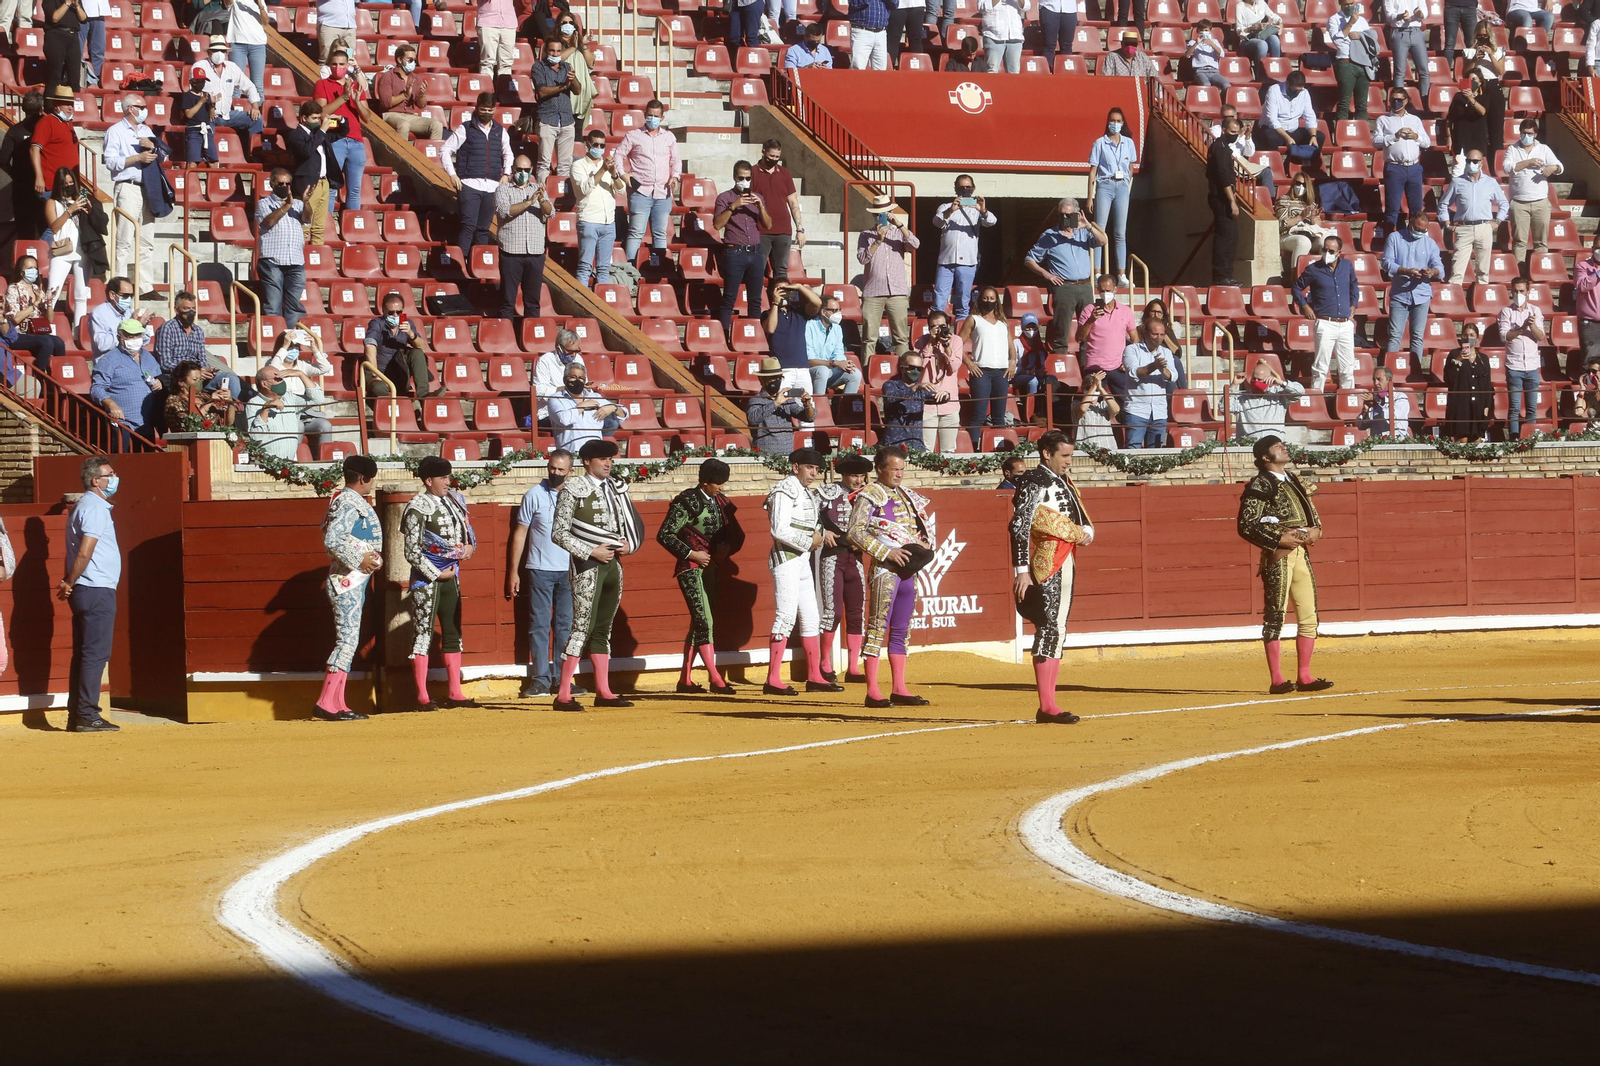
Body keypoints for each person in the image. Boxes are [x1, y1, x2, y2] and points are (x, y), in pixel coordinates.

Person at [551, 438, 642, 711]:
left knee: (603, 628)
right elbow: (558, 533)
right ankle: (563, 694)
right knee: (582, 627)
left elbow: (624, 524)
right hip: (588, 566)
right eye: (603, 459)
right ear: (587, 462)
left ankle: (604, 691)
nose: (608, 463)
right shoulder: (573, 489)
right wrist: (591, 551)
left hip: (613, 564)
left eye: (611, 459)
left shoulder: (615, 489)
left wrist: (627, 543)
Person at [1009, 429, 1094, 722]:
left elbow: (1079, 517)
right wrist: (1022, 571)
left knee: (1058, 627)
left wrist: (1087, 532)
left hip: (1066, 555)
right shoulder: (1034, 481)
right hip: (1047, 559)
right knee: (1048, 627)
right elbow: (1019, 526)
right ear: (1047, 454)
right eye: (1065, 455)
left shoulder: (1062, 481)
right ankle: (1046, 706)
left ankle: (1049, 703)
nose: (1069, 461)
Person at [1237, 435, 1332, 695]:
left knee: (1309, 615)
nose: (1284, 447)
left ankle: (1305, 677)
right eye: (1277, 447)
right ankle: (1277, 680)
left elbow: (1312, 515)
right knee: (1275, 616)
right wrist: (1278, 538)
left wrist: (1316, 531)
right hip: (1278, 554)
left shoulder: (1293, 480)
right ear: (1265, 458)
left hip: (1300, 553)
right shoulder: (1261, 483)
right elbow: (1246, 525)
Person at [847, 445, 934, 709]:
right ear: (880, 469)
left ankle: (899, 688)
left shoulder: (908, 496)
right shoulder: (869, 495)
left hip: (908, 571)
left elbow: (918, 529)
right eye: (894, 469)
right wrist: (886, 552)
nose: (899, 474)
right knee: (877, 628)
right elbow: (855, 532)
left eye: (902, 469)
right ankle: (872, 690)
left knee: (901, 630)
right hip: (885, 569)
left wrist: (923, 545)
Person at [656, 457, 740, 695]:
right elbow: (665, 535)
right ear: (705, 482)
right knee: (705, 621)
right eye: (717, 483)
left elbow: (732, 533)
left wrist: (725, 549)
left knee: (699, 622)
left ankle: (686, 680)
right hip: (690, 568)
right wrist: (691, 553)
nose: (721, 487)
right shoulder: (686, 502)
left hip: (711, 567)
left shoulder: (719, 500)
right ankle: (715, 678)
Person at [402, 456, 479, 711]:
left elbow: (465, 533)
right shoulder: (416, 506)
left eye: (448, 477)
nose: (448, 482)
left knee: (453, 631)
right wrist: (436, 573)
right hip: (426, 581)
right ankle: (422, 697)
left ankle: (455, 693)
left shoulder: (454, 501)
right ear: (428, 480)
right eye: (443, 478)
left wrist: (468, 548)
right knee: (422, 634)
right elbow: (412, 552)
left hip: (452, 576)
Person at [764, 448, 842, 695]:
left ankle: (814, 675)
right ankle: (772, 680)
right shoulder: (784, 490)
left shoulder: (805, 492)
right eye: (810, 468)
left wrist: (819, 536)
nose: (814, 473)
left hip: (802, 559)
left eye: (817, 469)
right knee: (785, 616)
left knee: (811, 617)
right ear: (795, 467)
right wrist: (810, 541)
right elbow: (779, 529)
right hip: (786, 559)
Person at [508, 448, 583, 699]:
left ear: (571, 472)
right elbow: (520, 534)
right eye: (552, 467)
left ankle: (563, 680)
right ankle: (540, 679)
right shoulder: (534, 495)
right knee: (539, 625)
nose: (555, 473)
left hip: (569, 570)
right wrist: (513, 572)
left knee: (565, 626)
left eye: (561, 470)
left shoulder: (577, 496)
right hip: (539, 568)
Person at [315, 454, 380, 721]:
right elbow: (332, 539)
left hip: (352, 581)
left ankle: (338, 702)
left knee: (349, 641)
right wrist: (361, 559)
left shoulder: (345, 500)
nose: (373, 484)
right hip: (346, 581)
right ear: (364, 478)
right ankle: (326, 702)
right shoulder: (348, 503)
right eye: (372, 479)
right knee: (346, 641)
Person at [58, 455, 121, 732]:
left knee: (85, 653)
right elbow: (85, 551)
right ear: (96, 481)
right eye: (110, 474)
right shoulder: (95, 507)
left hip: (88, 588)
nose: (114, 478)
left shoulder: (86, 505)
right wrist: (69, 580)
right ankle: (86, 714)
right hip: (95, 587)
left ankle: (78, 714)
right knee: (95, 654)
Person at [816, 452, 871, 682]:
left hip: (855, 558)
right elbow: (808, 515)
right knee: (833, 613)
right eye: (853, 476)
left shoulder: (868, 496)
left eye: (861, 476)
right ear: (844, 475)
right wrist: (820, 531)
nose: (858, 481)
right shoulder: (827, 493)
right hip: (832, 557)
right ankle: (824, 662)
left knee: (857, 613)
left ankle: (853, 668)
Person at [1025, 199, 1104, 355]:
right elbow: (1029, 259)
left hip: (1085, 286)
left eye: (1069, 215)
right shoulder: (1049, 235)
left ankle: (1086, 372)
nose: (1065, 218)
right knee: (1062, 332)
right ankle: (1061, 372)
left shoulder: (1083, 232)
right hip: (1064, 287)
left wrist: (1087, 225)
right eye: (1061, 215)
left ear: (1076, 214)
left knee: (1088, 330)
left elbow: (1103, 241)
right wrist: (1046, 274)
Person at [443, 93, 513, 266]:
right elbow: (445, 150)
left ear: (495, 109)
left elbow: (508, 153)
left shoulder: (500, 131)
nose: (486, 112)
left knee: (483, 229)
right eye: (483, 109)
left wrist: (506, 173)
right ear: (476, 108)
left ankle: (478, 265)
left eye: (490, 110)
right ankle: (460, 264)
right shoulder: (465, 128)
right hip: (469, 184)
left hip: (492, 186)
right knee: (468, 226)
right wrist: (452, 174)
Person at [615, 99, 680, 267]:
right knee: (636, 232)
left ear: (662, 118)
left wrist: (675, 176)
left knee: (660, 234)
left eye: (656, 116)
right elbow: (618, 155)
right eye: (650, 115)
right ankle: (629, 269)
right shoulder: (633, 135)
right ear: (645, 115)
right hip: (640, 191)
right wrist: (623, 174)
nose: (653, 118)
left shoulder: (669, 137)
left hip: (663, 192)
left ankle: (660, 268)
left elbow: (675, 160)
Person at [101, 93, 158, 284]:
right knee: (124, 239)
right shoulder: (115, 131)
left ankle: (145, 285)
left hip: (148, 187)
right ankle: (119, 282)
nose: (144, 109)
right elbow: (109, 161)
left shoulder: (147, 130)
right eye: (141, 106)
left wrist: (153, 147)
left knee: (147, 241)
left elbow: (163, 157)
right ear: (130, 108)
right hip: (128, 187)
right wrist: (137, 158)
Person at [1293, 235, 1361, 390]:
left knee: (1348, 368)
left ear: (1339, 252)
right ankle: (1317, 400)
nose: (1326, 253)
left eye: (1331, 250)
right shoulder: (1313, 269)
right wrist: (1305, 306)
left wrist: (1354, 305)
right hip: (1325, 323)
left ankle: (1347, 401)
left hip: (1345, 323)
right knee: (1320, 368)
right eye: (1324, 249)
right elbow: (1296, 288)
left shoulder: (1347, 266)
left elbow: (1354, 285)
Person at [714, 159, 771, 342]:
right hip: (735, 251)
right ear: (734, 177)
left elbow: (768, 225)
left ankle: (754, 337)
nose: (744, 182)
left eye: (747, 178)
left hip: (755, 252)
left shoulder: (758, 198)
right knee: (729, 297)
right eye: (741, 178)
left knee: (755, 300)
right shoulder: (725, 198)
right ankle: (723, 336)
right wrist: (734, 206)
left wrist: (760, 207)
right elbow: (717, 225)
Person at [857, 193, 919, 360]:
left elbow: (914, 244)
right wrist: (878, 240)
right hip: (873, 292)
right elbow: (862, 258)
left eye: (884, 214)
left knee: (901, 337)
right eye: (877, 214)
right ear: (873, 215)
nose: (880, 217)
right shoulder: (865, 235)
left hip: (897, 292)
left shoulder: (898, 233)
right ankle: (868, 372)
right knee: (869, 338)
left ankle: (904, 372)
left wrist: (899, 224)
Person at [1380, 213, 1443, 372]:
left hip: (1421, 295)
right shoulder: (1395, 238)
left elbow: (1440, 269)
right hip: (1400, 293)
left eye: (1423, 230)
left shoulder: (1430, 243)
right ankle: (1390, 372)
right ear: (1409, 224)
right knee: (1395, 336)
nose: (1420, 232)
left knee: (1417, 337)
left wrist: (1431, 272)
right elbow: (1387, 263)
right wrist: (1405, 271)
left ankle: (1415, 371)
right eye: (1417, 228)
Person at [152, 289, 244, 397]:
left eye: (193, 308)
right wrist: (194, 371)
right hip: (179, 377)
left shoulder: (198, 331)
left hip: (200, 377)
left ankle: (233, 408)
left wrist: (207, 370)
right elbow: (165, 363)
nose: (191, 312)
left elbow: (203, 360)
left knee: (231, 378)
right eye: (186, 308)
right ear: (177, 310)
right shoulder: (167, 329)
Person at [496, 153, 554, 321]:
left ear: (531, 170)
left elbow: (551, 212)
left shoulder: (537, 189)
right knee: (507, 300)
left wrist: (541, 200)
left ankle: (532, 337)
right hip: (511, 252)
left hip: (535, 253)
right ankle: (506, 337)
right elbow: (504, 211)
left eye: (526, 170)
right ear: (513, 170)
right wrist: (529, 203)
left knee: (533, 301)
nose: (523, 173)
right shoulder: (503, 189)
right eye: (519, 169)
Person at [1438, 149, 1508, 284]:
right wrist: (1447, 224)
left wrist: (1498, 220)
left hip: (1484, 227)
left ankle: (1481, 299)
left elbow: (1504, 203)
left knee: (1483, 271)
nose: (1471, 164)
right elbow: (1443, 204)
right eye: (1469, 161)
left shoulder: (1491, 182)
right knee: (1457, 270)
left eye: (1475, 161)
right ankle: (1455, 300)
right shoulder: (1457, 182)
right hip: (1463, 228)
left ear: (1481, 162)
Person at [312, 48, 369, 214]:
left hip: (356, 141)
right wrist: (343, 97)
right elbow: (321, 112)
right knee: (330, 188)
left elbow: (367, 117)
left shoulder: (356, 86)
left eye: (342, 64)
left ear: (347, 66)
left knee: (354, 190)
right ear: (329, 66)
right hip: (334, 140)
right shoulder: (321, 84)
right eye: (334, 64)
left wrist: (357, 101)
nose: (338, 67)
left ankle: (354, 230)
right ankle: (327, 227)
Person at [930, 175, 995, 321]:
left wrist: (983, 210)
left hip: (967, 261)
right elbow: (937, 222)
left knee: (963, 302)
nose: (965, 190)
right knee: (939, 300)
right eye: (961, 187)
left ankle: (960, 336)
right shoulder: (945, 206)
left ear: (973, 189)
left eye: (968, 187)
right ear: (955, 189)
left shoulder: (976, 209)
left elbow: (991, 222)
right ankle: (938, 332)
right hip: (946, 261)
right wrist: (951, 210)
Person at [1087, 108, 1137, 285]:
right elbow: (1093, 171)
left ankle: (1122, 274)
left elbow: (1130, 166)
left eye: (1118, 121)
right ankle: (1098, 272)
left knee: (1120, 233)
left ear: (1123, 123)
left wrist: (1126, 181)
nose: (1115, 124)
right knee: (1099, 230)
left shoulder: (1128, 143)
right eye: (1112, 120)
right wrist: (1089, 197)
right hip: (1105, 185)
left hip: (1122, 186)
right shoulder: (1100, 143)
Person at [266, 327, 334, 457]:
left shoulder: (302, 365)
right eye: (290, 347)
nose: (294, 350)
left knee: (325, 425)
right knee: (298, 426)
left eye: (296, 347)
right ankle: (293, 460)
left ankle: (325, 462)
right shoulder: (274, 363)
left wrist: (314, 349)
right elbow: (272, 368)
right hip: (286, 413)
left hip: (305, 412)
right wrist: (284, 347)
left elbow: (325, 368)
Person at [959, 284, 1014, 445]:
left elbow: (1011, 346)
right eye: (985, 298)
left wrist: (1013, 362)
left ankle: (1001, 448)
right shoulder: (973, 319)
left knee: (999, 415)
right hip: (981, 372)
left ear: (997, 300)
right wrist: (969, 363)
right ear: (979, 300)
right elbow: (957, 344)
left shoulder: (1003, 322)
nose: (988, 301)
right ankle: (972, 448)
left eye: (991, 298)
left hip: (1001, 372)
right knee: (979, 415)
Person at [91, 319, 162, 442]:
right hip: (124, 423)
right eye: (130, 336)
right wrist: (111, 405)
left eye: (137, 335)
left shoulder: (148, 357)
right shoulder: (109, 360)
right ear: (119, 337)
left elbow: (159, 377)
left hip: (146, 424)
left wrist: (160, 382)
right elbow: (97, 388)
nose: (134, 339)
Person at [1504, 119, 1562, 264]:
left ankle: (1539, 271)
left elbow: (1560, 166)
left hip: (1540, 202)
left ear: (1535, 134)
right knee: (1519, 241)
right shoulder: (1512, 149)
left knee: (1541, 242)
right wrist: (1527, 163)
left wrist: (1552, 168)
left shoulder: (1544, 149)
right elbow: (1506, 167)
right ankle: (1519, 273)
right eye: (1523, 133)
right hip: (1519, 202)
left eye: (1529, 133)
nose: (1526, 136)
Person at [571, 127, 621, 287]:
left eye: (602, 146)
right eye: (596, 145)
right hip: (589, 220)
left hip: (608, 222)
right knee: (585, 267)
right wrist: (603, 170)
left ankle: (603, 306)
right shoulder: (578, 166)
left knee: (604, 268)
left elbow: (621, 190)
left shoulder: (609, 166)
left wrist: (613, 173)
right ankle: (582, 304)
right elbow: (584, 189)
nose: (599, 148)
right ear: (587, 145)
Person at [1121, 316, 1181, 448]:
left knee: (1156, 452)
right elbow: (1133, 373)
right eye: (1155, 334)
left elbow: (1173, 376)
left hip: (1159, 411)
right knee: (1133, 449)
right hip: (1137, 409)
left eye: (1162, 334)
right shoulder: (1132, 350)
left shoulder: (1166, 352)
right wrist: (1154, 366)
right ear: (1145, 333)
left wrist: (1162, 369)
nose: (1158, 337)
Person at [196, 35, 264, 152]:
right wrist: (209, 106)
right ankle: (207, 157)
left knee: (257, 119)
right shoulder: (200, 67)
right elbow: (195, 92)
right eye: (216, 50)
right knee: (205, 126)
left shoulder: (232, 68)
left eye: (222, 51)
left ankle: (255, 154)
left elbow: (249, 86)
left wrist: (255, 106)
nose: (219, 53)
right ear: (209, 52)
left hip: (227, 114)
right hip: (207, 114)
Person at [1374, 89, 1430, 231]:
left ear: (1406, 101)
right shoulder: (1383, 120)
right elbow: (1375, 141)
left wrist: (1415, 136)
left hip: (1414, 168)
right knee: (1392, 208)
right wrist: (1395, 136)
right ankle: (1389, 240)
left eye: (1399, 99)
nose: (1395, 102)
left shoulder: (1415, 120)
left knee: (1416, 209)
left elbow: (1427, 142)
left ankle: (1414, 240)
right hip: (1394, 167)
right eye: (1393, 99)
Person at [286, 100, 340, 246]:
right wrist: (322, 130)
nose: (318, 121)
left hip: (324, 183)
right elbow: (306, 152)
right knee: (304, 226)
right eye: (314, 118)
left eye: (319, 118)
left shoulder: (319, 134)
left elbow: (343, 132)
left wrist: (341, 119)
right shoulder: (295, 135)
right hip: (307, 184)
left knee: (319, 228)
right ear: (303, 118)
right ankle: (299, 261)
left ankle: (317, 264)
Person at [42, 167, 91, 326]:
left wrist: (89, 209)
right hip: (61, 251)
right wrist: (70, 210)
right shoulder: (52, 202)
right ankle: (44, 328)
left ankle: (79, 333)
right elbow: (54, 227)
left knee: (81, 295)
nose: (69, 186)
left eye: (71, 182)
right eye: (65, 183)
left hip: (82, 250)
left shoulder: (80, 198)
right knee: (52, 293)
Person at [751, 140, 804, 287]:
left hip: (783, 230)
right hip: (760, 230)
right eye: (771, 156)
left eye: (777, 157)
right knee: (757, 270)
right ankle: (757, 305)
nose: (774, 159)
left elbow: (793, 202)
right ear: (763, 152)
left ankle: (781, 306)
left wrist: (800, 229)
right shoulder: (753, 172)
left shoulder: (785, 173)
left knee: (781, 272)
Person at [363, 291, 434, 396]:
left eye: (398, 312)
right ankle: (388, 410)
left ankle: (424, 395)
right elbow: (369, 345)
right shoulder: (377, 323)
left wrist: (410, 333)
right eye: (391, 312)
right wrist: (375, 373)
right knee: (378, 388)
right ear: (383, 311)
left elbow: (422, 347)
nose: (395, 315)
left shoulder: (407, 323)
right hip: (380, 373)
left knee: (417, 352)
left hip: (399, 372)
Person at [1498, 276, 1545, 437]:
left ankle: (1530, 438)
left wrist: (1531, 325)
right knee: (1515, 407)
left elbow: (1540, 336)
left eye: (1522, 291)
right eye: (1516, 291)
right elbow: (1505, 336)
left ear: (1528, 292)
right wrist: (1522, 327)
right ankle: (1513, 438)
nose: (1518, 294)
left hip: (1532, 366)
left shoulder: (1535, 310)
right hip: (1514, 366)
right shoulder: (1506, 311)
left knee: (1532, 408)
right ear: (1511, 292)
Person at [247, 362, 324, 458]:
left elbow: (318, 399)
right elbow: (256, 438)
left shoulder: (290, 398)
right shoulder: (253, 403)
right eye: (277, 379)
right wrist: (265, 409)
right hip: (266, 465)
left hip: (290, 462)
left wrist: (301, 374)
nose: (282, 381)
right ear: (265, 384)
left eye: (282, 378)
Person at [2, 256, 65, 374]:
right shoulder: (13, 289)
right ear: (22, 272)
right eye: (30, 268)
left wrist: (49, 302)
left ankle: (57, 377)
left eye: (35, 268)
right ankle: (40, 378)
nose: (34, 271)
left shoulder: (37, 289)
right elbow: (15, 319)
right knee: (47, 341)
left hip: (37, 332)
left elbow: (49, 319)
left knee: (59, 342)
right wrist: (34, 304)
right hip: (18, 334)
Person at [912, 309, 963, 451]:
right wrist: (930, 344)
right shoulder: (920, 342)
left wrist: (946, 346)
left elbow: (954, 367)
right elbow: (917, 368)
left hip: (949, 402)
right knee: (925, 449)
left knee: (948, 450)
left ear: (948, 326)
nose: (939, 330)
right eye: (934, 327)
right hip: (927, 404)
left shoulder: (956, 341)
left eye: (942, 326)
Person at [548, 359, 626, 450]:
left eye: (581, 378)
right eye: (573, 377)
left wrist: (613, 408)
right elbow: (563, 419)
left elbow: (624, 413)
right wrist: (583, 405)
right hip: (570, 453)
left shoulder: (595, 396)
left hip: (594, 453)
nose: (577, 380)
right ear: (565, 379)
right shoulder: (556, 399)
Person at [531, 35, 578, 183]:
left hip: (566, 120)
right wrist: (564, 86)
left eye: (558, 51)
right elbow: (542, 92)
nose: (555, 54)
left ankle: (559, 196)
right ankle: (542, 197)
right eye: (552, 51)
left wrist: (573, 79)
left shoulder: (566, 67)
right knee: (544, 163)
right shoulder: (539, 67)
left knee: (565, 164)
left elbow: (578, 90)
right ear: (545, 51)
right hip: (547, 119)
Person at [881, 349, 946, 451]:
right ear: (902, 368)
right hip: (894, 444)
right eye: (912, 368)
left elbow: (938, 398)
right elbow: (890, 398)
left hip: (916, 444)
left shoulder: (922, 389)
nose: (916, 371)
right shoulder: (891, 385)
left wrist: (945, 395)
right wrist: (914, 389)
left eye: (919, 369)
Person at [374, 43, 443, 141]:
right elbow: (386, 103)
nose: (413, 63)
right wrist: (405, 95)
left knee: (436, 125)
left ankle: (432, 156)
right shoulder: (387, 77)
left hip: (411, 116)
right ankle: (402, 155)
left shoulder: (416, 78)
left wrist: (421, 95)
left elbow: (421, 105)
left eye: (414, 60)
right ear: (399, 60)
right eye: (410, 60)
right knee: (403, 124)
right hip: (391, 114)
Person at [747, 356, 815, 453]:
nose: (776, 381)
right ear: (761, 380)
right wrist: (775, 403)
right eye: (772, 378)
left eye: (779, 378)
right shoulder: (756, 400)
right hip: (765, 456)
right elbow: (753, 419)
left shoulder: (786, 399)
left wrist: (807, 405)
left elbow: (808, 417)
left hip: (787, 454)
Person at [1, 91, 44, 240]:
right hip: (46, 187)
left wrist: (14, 174)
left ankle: (27, 261)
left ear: (23, 109)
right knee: (48, 232)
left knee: (25, 234)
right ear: (41, 108)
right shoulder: (49, 128)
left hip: (22, 189)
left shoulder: (14, 131)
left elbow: (3, 160)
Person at [1075, 273, 1138, 374]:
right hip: (1094, 367)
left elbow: (1135, 338)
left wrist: (1129, 360)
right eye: (1102, 291)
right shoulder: (1088, 310)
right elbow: (1079, 338)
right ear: (1098, 291)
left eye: (1108, 291)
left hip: (1118, 367)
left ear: (1115, 290)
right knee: (1092, 390)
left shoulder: (1126, 311)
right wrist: (1091, 320)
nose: (1105, 294)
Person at [765, 280, 819, 398]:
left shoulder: (799, 312)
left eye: (787, 290)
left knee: (806, 406)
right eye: (780, 289)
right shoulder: (767, 314)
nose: (783, 292)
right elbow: (770, 328)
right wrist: (775, 303)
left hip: (802, 368)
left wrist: (799, 287)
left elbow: (817, 303)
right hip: (782, 369)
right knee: (780, 405)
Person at [1208, 115, 1243, 286]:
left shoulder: (1224, 148)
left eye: (1237, 132)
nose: (1234, 135)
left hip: (1225, 198)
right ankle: (1221, 275)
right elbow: (1223, 177)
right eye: (1231, 132)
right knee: (1225, 237)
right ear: (1223, 130)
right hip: (1221, 200)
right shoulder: (1220, 149)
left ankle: (1228, 274)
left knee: (1232, 237)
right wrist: (1232, 201)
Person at [30, 85, 79, 209]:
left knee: (65, 225)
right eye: (66, 104)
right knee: (54, 225)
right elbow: (34, 149)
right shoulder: (46, 122)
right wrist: (39, 177)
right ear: (56, 105)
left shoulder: (67, 123)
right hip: (51, 185)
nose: (70, 107)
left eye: (71, 104)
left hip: (67, 186)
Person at [1275, 173, 1333, 276]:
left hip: (1309, 235)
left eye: (1304, 185)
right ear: (1293, 184)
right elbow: (1282, 223)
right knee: (1303, 241)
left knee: (1326, 239)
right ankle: (1296, 277)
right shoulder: (1283, 200)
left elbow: (1318, 226)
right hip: (1287, 236)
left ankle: (1324, 274)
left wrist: (1313, 217)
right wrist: (1300, 217)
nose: (1300, 187)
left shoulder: (1310, 203)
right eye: (1298, 183)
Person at [1443, 324, 1494, 440]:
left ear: (1477, 338)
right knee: (1462, 439)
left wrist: (1486, 407)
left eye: (1472, 335)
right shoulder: (1453, 354)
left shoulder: (1483, 359)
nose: (1468, 338)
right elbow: (1448, 378)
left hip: (1478, 406)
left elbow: (1487, 384)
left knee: (1476, 440)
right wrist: (1458, 360)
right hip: (1460, 405)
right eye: (1465, 335)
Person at [1463, 22, 1507, 156]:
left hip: (1493, 86)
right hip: (1477, 86)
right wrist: (1475, 59)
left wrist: (1491, 55)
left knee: (1496, 128)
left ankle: (1495, 162)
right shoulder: (1469, 51)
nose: (1483, 38)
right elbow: (1464, 73)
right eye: (1480, 35)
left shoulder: (1499, 51)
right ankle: (1477, 158)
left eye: (1485, 36)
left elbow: (1500, 71)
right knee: (1478, 126)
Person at [1327, 0, 1375, 121]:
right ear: (1340, 4)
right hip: (1346, 62)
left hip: (1363, 63)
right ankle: (1341, 134)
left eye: (1351, 4)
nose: (1349, 7)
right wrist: (1350, 23)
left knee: (1362, 104)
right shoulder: (1334, 19)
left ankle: (1362, 133)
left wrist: (1360, 36)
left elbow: (1370, 39)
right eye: (1346, 4)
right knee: (1344, 102)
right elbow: (1338, 41)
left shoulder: (1362, 20)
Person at [806, 290, 861, 396]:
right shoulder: (809, 326)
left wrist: (845, 364)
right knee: (822, 371)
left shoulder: (837, 328)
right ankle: (819, 406)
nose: (837, 314)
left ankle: (845, 407)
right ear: (823, 312)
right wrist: (835, 363)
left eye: (839, 310)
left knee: (855, 373)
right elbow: (809, 360)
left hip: (829, 370)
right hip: (811, 371)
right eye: (833, 310)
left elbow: (839, 353)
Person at [1233, 360, 1304, 439]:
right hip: (1249, 445)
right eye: (1253, 379)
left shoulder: (1279, 394)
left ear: (1268, 379)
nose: (1256, 382)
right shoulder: (1242, 397)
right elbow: (1224, 408)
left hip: (1274, 445)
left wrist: (1282, 383)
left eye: (1259, 380)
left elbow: (1299, 392)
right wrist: (1233, 385)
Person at [1257, 72, 1323, 154]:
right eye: (1294, 90)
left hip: (1292, 131)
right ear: (1287, 84)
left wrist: (1313, 136)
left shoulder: (1304, 93)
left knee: (1320, 136)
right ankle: (1275, 163)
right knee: (1270, 137)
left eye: (1299, 91)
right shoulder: (1274, 91)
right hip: (1275, 131)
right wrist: (1287, 138)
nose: (1297, 93)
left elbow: (1310, 116)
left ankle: (1303, 163)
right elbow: (1272, 120)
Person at [163, 359, 236, 431]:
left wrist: (230, 402)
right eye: (195, 379)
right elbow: (189, 425)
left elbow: (228, 423)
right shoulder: (174, 401)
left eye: (200, 379)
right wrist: (209, 403)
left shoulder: (205, 397)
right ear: (181, 382)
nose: (199, 383)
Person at [88, 275, 148, 361]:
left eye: (131, 296)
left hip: (130, 360)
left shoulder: (129, 312)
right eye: (125, 296)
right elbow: (102, 345)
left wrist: (141, 327)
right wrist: (126, 331)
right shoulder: (99, 314)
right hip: (109, 363)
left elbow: (145, 341)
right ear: (112, 295)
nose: (129, 299)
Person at [1011, 312, 1057, 424]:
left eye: (1033, 327)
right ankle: (1030, 415)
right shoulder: (1016, 343)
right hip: (1018, 375)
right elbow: (1012, 367)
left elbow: (1042, 364)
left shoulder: (1039, 345)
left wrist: (1040, 371)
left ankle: (1048, 413)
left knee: (1052, 379)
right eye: (1028, 327)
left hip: (1034, 373)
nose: (1031, 329)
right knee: (1033, 381)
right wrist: (1027, 372)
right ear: (1022, 327)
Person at [533, 327, 585, 424]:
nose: (573, 355)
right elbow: (539, 391)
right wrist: (566, 388)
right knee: (575, 422)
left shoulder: (578, 359)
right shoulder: (545, 360)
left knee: (610, 422)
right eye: (570, 351)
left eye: (576, 351)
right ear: (559, 348)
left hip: (576, 408)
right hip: (550, 413)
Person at [1385, 0, 1429, 105]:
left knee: (1424, 71)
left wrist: (1419, 14)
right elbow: (1389, 15)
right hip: (1399, 31)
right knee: (1400, 71)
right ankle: (1398, 103)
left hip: (1416, 31)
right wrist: (1400, 16)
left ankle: (1425, 102)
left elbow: (1425, 11)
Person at [1447, 73, 1491, 175]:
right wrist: (1449, 137)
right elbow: (1450, 118)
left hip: (1477, 140)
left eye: (1474, 79)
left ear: (1480, 82)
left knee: (1475, 172)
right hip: (1460, 140)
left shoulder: (1484, 97)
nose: (1471, 81)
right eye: (1469, 79)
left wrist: (1471, 98)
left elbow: (1482, 112)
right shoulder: (1458, 97)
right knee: (1458, 172)